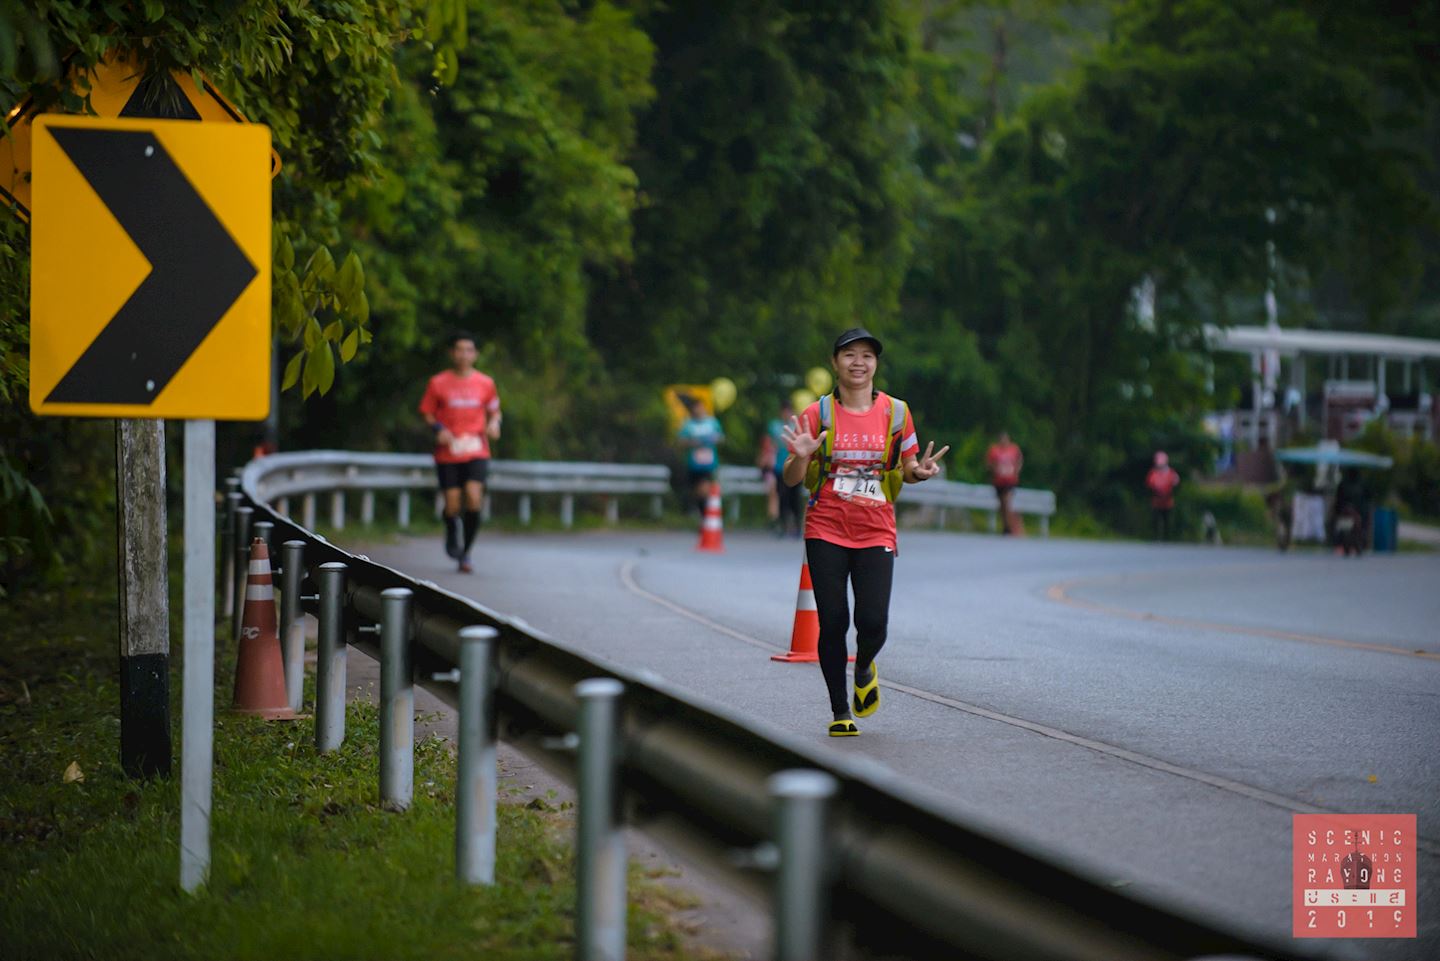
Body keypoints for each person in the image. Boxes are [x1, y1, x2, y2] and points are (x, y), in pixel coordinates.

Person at [781, 327, 949, 737]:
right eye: (849, 355)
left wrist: (920, 474)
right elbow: (790, 479)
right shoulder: (816, 414)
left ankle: (865, 667)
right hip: (825, 528)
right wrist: (800, 458)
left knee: (873, 622)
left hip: (876, 529)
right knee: (833, 621)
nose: (859, 362)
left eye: (867, 356)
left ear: (876, 364)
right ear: (835, 363)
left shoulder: (896, 412)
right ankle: (841, 711)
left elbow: (907, 468)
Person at [419, 332, 501, 574]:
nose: (464, 354)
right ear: (452, 353)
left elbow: (495, 411)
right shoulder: (438, 383)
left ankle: (466, 553)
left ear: (475, 355)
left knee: (474, 498)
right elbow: (427, 412)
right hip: (449, 451)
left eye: (469, 350)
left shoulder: (485, 383)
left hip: (476, 449)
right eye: (459, 350)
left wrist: (495, 423)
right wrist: (438, 429)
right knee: (453, 505)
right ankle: (451, 528)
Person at [677, 397, 724, 516]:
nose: (700, 410)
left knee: (704, 488)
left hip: (708, 463)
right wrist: (694, 442)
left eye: (701, 407)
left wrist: (713, 439)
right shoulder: (688, 424)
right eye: (697, 408)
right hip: (693, 463)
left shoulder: (712, 422)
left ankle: (706, 514)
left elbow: (721, 437)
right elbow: (680, 441)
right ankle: (702, 512)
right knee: (697, 490)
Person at [767, 400, 803, 537]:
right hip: (779, 466)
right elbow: (771, 444)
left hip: (795, 465)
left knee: (795, 497)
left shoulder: (797, 426)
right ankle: (782, 525)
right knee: (782, 496)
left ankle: (797, 526)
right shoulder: (774, 426)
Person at [985, 431, 1024, 535]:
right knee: (1002, 505)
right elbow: (989, 463)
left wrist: (1016, 470)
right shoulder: (994, 450)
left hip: (1010, 481)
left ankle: (1011, 528)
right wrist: (995, 469)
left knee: (1007, 501)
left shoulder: (1014, 449)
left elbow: (1019, 460)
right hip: (999, 481)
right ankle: (1005, 526)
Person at [1145, 451, 1180, 541]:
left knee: (1167, 520)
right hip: (1156, 501)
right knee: (1155, 520)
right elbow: (1150, 485)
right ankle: (1155, 537)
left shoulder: (1171, 473)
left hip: (1168, 501)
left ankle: (1167, 538)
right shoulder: (1153, 473)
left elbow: (1176, 484)